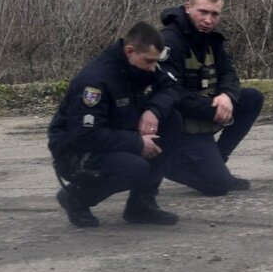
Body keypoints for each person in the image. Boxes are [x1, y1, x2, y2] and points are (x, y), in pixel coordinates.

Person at [48, 21, 182, 228]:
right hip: (76, 152)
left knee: (171, 119)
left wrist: (153, 111)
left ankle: (141, 205)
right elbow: (86, 136)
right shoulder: (95, 81)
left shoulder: (140, 65)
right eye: (149, 62)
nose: (153, 68)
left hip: (114, 136)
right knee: (134, 167)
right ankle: (76, 197)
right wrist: (137, 143)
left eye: (155, 62)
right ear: (130, 51)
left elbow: (171, 87)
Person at [159, 0, 264, 196]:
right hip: (178, 124)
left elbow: (229, 74)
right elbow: (171, 93)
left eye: (214, 14)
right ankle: (163, 164)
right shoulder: (169, 41)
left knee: (252, 98)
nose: (208, 20)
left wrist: (227, 96)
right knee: (218, 187)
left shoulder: (210, 40)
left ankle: (218, 160)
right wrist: (213, 108)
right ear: (188, 8)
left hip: (203, 114)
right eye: (203, 12)